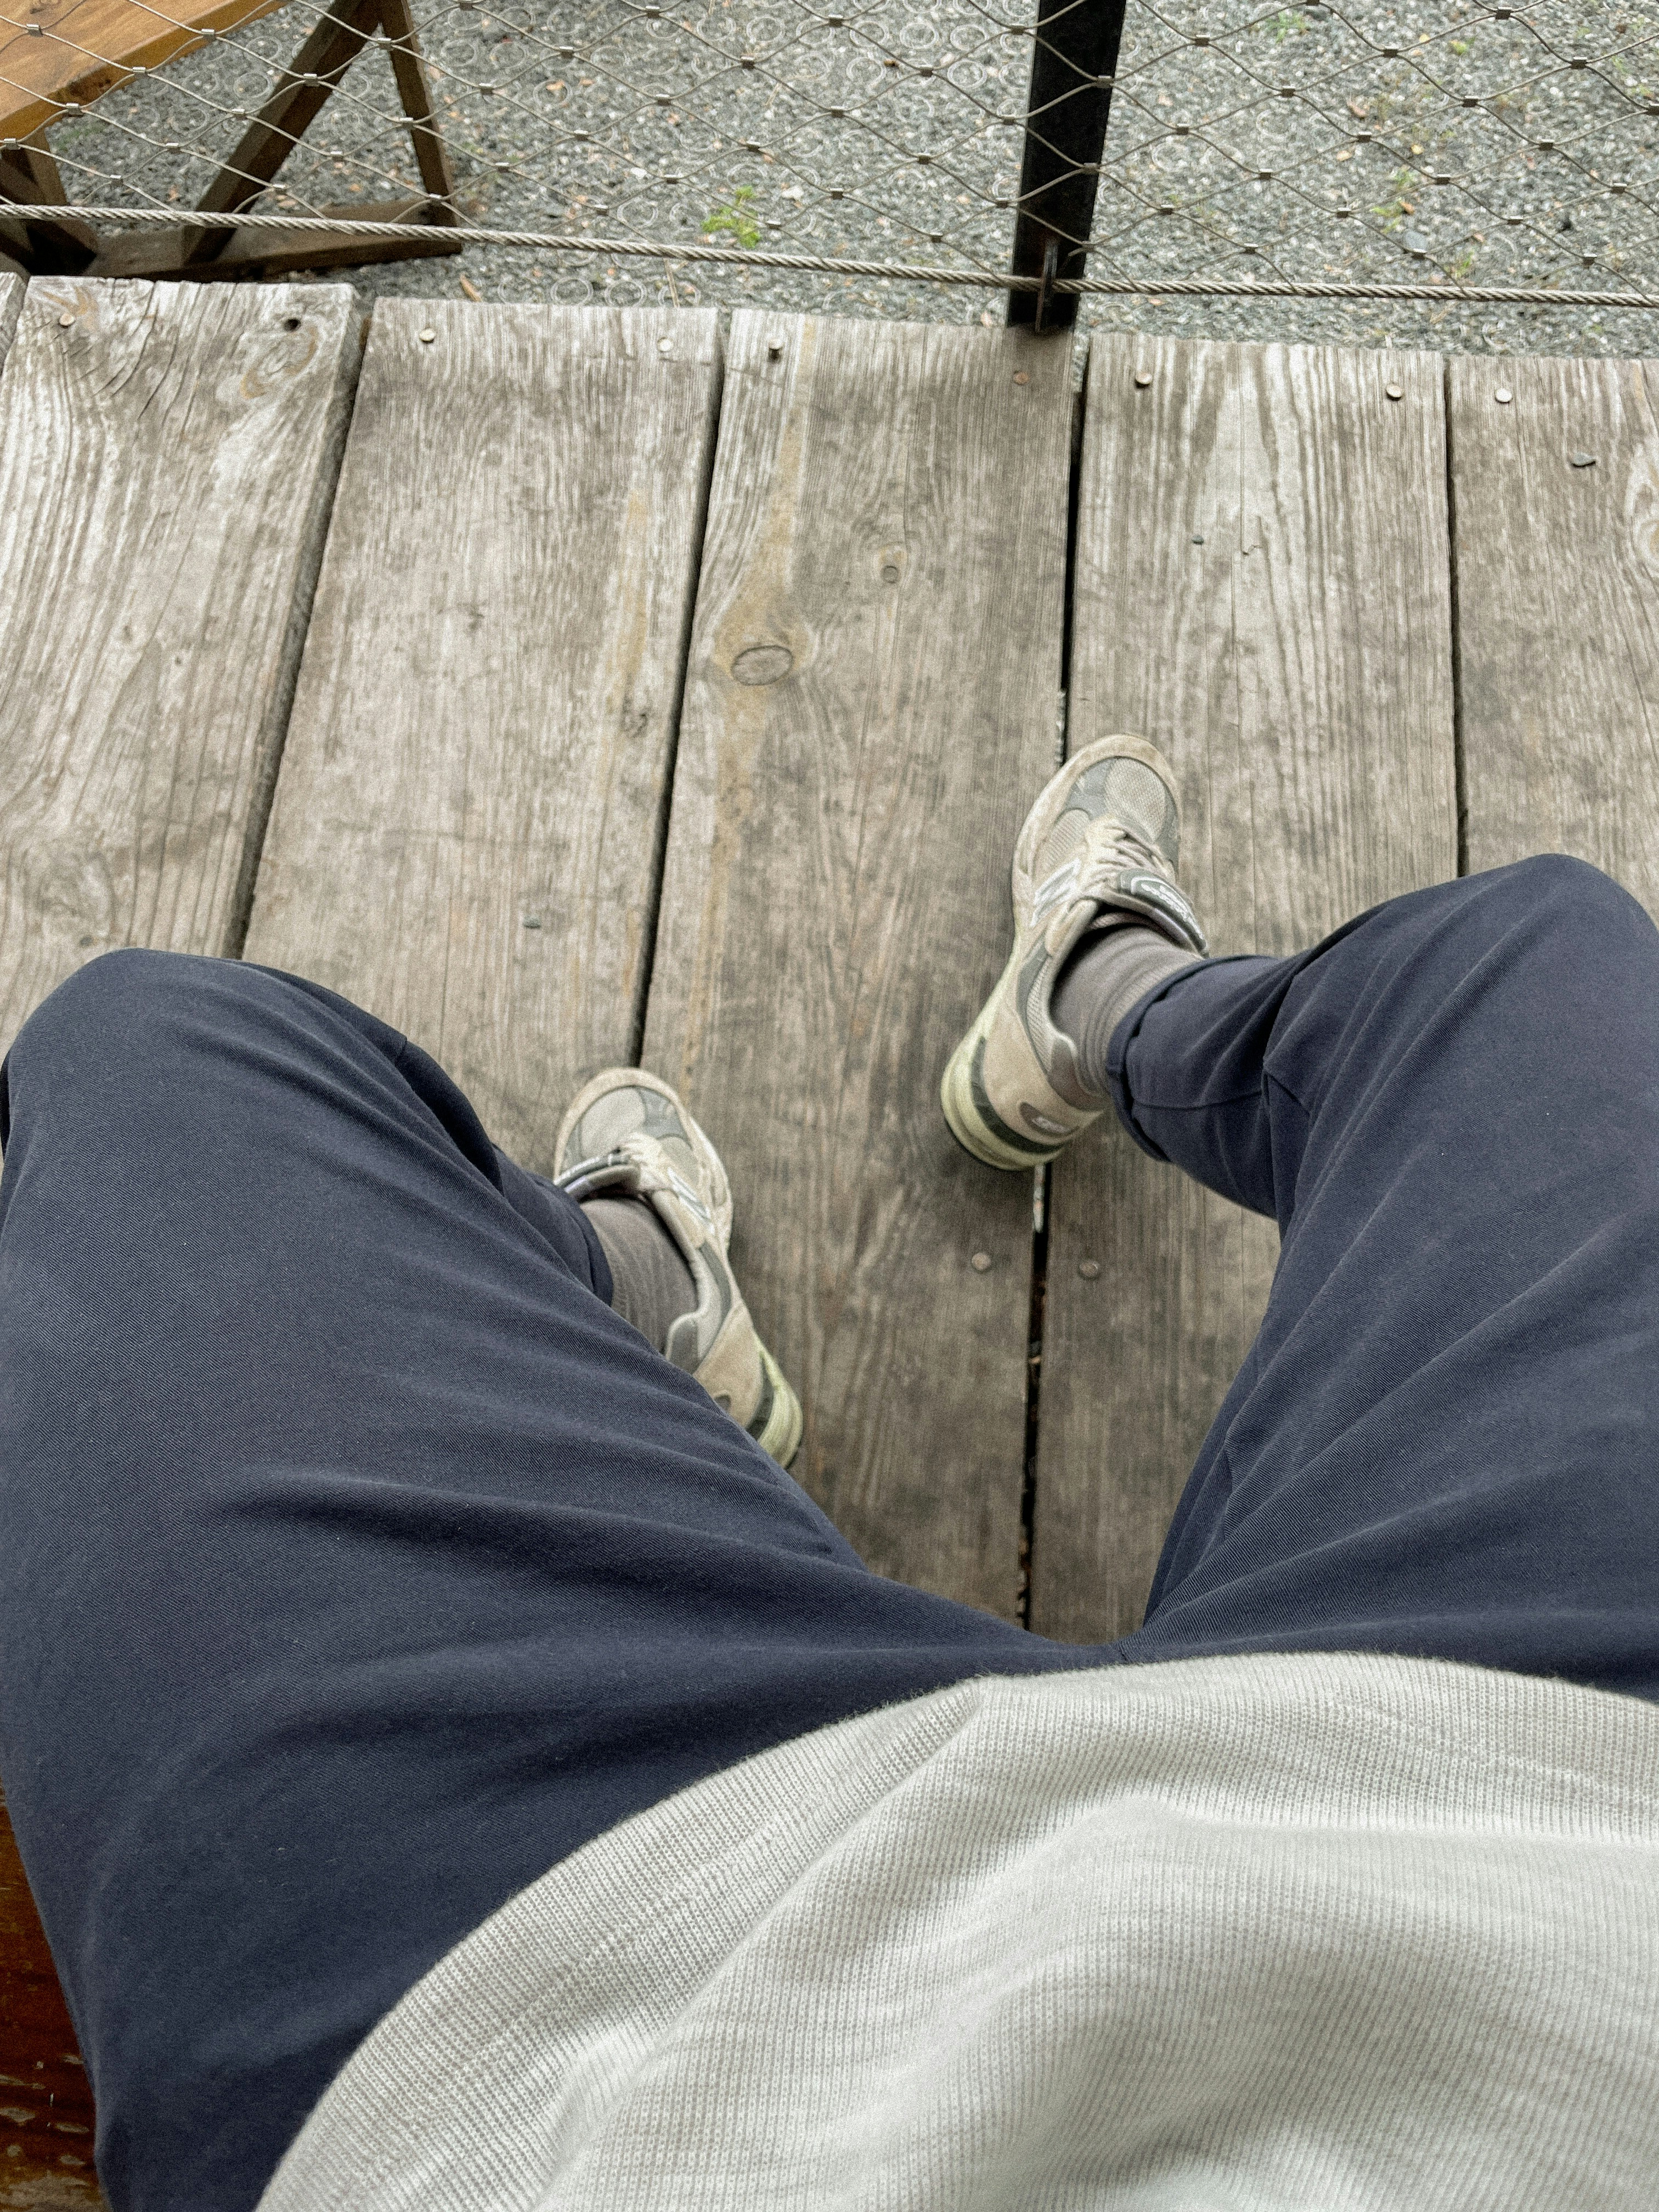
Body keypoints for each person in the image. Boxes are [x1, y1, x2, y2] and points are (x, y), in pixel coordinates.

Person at [1, 737, 1655, 2212]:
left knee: (159, 1061)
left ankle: (661, 1296)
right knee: (1531, 960)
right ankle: (1100, 1007)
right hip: (1564, 1861)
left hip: (562, 2066)